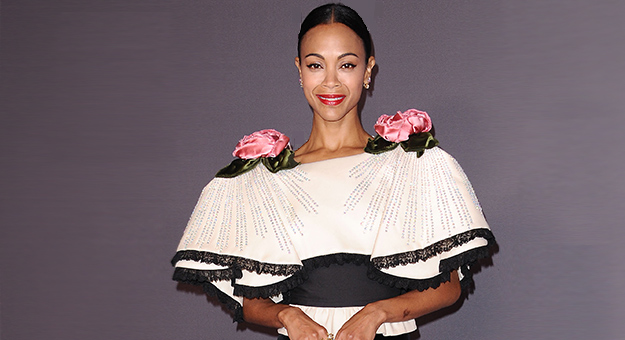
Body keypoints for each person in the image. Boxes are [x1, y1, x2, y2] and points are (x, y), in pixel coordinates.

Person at [171, 3, 495, 340]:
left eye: (347, 65)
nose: (330, 82)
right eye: (315, 65)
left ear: (368, 70)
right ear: (299, 71)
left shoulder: (413, 165)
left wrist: (377, 312)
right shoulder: (263, 180)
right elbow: (253, 301)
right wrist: (287, 314)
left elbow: (448, 289)